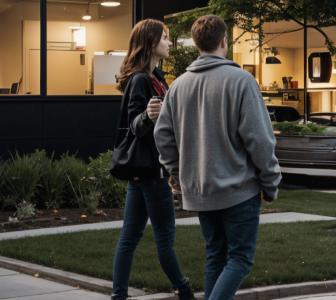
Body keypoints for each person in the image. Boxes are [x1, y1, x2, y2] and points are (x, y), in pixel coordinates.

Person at [155, 15, 280, 300]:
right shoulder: (241, 81)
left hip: (202, 191)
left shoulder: (179, 86)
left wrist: (179, 174)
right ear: (225, 41)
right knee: (239, 259)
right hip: (239, 190)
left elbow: (162, 136)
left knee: (215, 256)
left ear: (197, 44)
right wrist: (271, 182)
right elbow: (260, 140)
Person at [112, 20, 193, 300]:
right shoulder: (141, 79)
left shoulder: (155, 76)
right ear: (150, 42)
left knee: (130, 237)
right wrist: (148, 114)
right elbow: (134, 125)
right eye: (165, 38)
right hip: (152, 170)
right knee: (165, 238)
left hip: (146, 171)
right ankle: (185, 291)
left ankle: (119, 296)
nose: (170, 43)